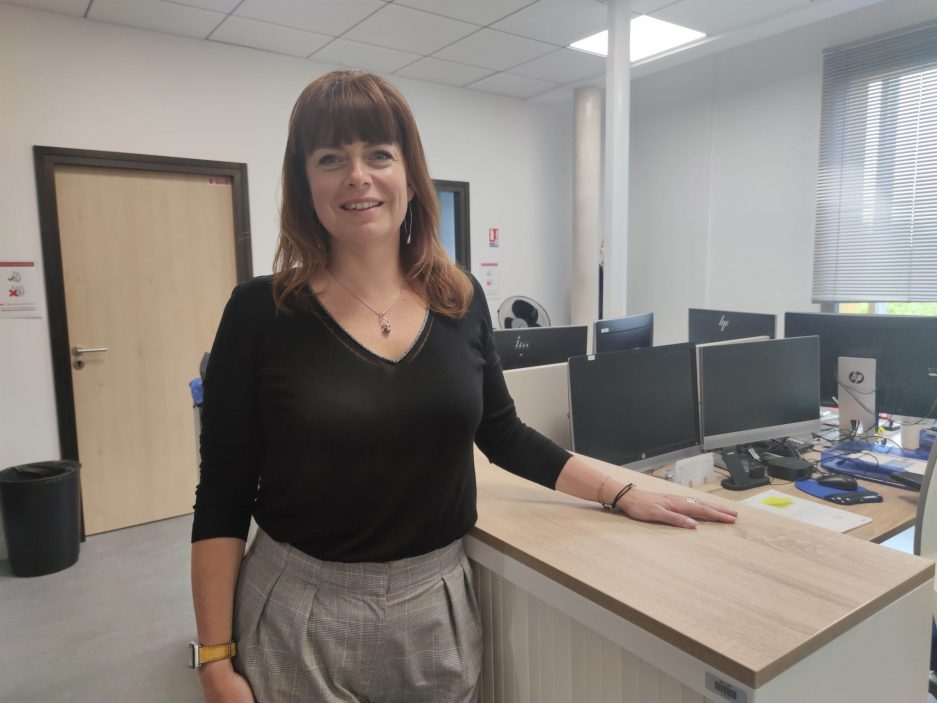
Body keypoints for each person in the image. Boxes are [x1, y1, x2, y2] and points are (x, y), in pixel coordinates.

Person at [190, 69, 737, 703]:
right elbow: (223, 491)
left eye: (378, 154)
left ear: (409, 174)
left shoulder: (459, 297)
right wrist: (214, 658)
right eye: (331, 158)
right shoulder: (260, 312)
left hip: (435, 604)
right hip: (302, 613)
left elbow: (502, 433)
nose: (357, 176)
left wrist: (620, 492)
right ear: (303, 181)